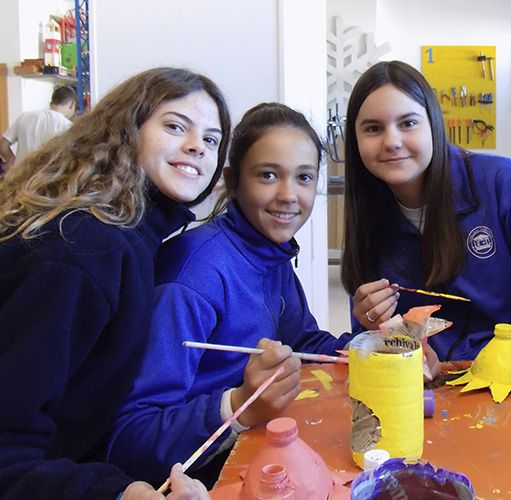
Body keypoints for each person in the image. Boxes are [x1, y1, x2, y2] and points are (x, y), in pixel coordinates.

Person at [0, 67, 232, 499]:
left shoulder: (131, 235)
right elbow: (9, 447)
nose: (198, 146)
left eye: (212, 139)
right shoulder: (82, 249)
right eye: (175, 126)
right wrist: (119, 493)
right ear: (127, 129)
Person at [108, 103, 353, 486]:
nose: (289, 195)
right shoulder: (192, 280)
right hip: (194, 478)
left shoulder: (270, 250)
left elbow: (305, 343)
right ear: (233, 181)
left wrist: (376, 349)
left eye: (304, 177)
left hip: (255, 453)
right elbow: (128, 438)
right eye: (268, 175)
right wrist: (237, 405)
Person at [340, 60, 511, 361]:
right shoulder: (367, 214)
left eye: (408, 123)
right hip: (425, 392)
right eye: (372, 128)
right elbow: (377, 343)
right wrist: (372, 327)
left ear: (434, 123)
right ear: (355, 140)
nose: (392, 142)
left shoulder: (508, 187)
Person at [0, 85, 77, 170]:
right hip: (46, 178)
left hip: (21, 176)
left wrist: (15, 163)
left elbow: (3, 146)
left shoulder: (25, 117)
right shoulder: (67, 126)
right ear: (72, 104)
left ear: (51, 102)